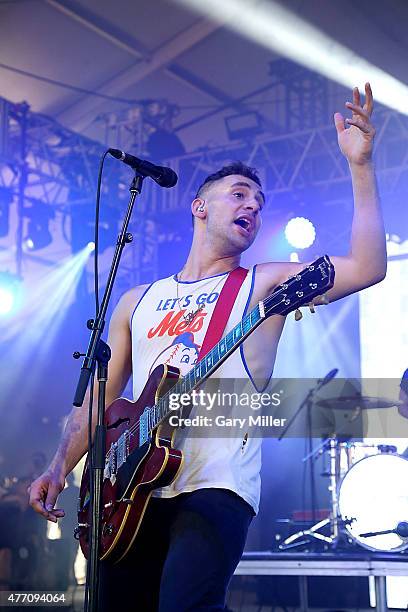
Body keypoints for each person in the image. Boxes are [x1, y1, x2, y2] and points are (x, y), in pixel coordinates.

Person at [29, 83, 386, 611]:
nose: (253, 205)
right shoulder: (137, 300)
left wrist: (360, 166)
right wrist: (60, 465)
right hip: (127, 494)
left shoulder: (261, 284)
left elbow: (368, 267)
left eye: (260, 202)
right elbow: (99, 404)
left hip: (214, 488)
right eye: (240, 193)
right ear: (199, 207)